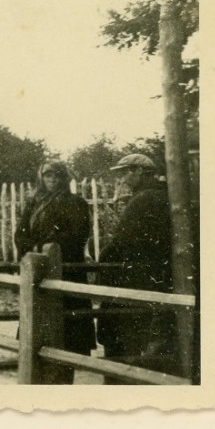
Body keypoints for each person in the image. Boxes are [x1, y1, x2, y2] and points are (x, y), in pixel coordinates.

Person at [98, 153, 177, 382]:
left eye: (125, 172)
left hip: (136, 276)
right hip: (158, 274)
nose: (122, 178)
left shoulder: (143, 199)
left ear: (139, 172)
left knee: (124, 332)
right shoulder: (163, 195)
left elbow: (121, 241)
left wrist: (103, 259)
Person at [15, 160, 96, 383]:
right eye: (47, 176)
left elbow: (77, 236)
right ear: (41, 177)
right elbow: (20, 233)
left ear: (64, 178)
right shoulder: (33, 203)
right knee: (38, 328)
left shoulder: (75, 203)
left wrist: (45, 248)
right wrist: (32, 249)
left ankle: (63, 379)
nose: (52, 180)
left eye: (56, 176)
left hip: (65, 271)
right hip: (38, 271)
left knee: (67, 334)